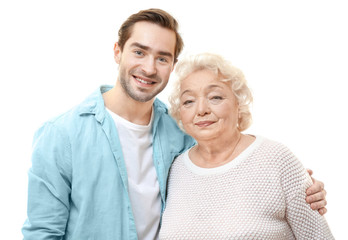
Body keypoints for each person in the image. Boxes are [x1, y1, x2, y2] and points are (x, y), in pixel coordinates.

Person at [22, 9, 328, 240]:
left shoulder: (180, 131)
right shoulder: (61, 135)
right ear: (118, 52)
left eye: (162, 58)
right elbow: (42, 232)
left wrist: (297, 186)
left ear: (172, 65)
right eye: (139, 51)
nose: (148, 67)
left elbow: (227, 163)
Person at [159, 53, 334, 239]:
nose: (201, 110)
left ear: (238, 104)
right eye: (188, 101)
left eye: (215, 97)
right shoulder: (175, 169)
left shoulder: (277, 159)